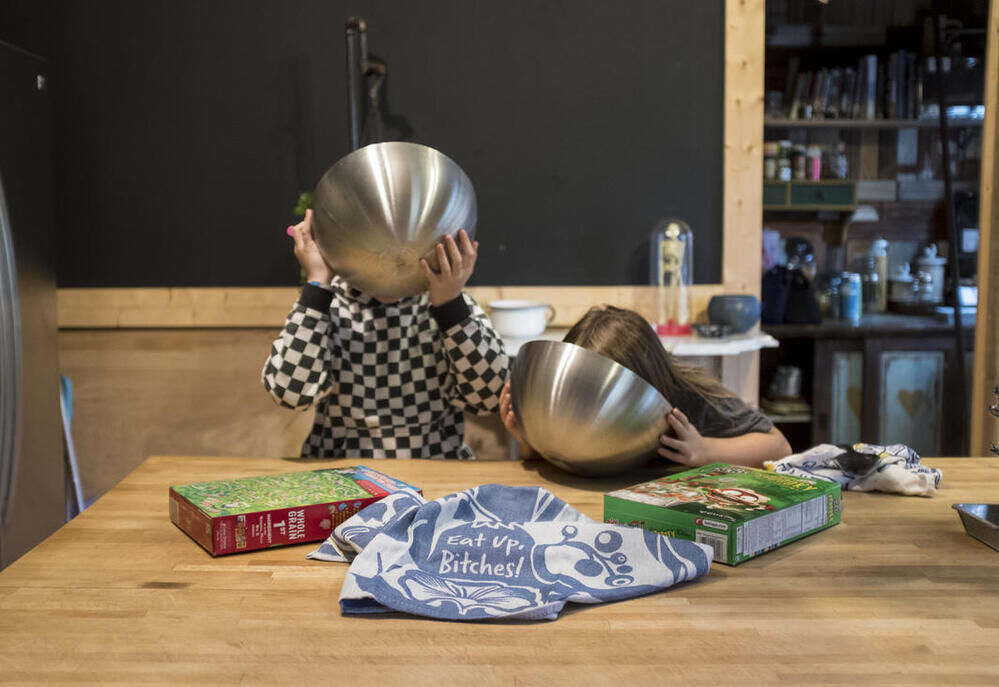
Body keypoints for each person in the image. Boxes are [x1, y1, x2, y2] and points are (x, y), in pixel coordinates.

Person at [262, 209, 508, 459]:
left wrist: (450, 307)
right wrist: (317, 283)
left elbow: (490, 398)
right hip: (341, 469)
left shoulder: (444, 302)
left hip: (434, 464)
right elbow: (290, 394)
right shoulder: (330, 305)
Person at [500, 305, 790, 468]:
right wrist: (531, 442)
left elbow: (779, 446)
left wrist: (705, 451)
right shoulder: (566, 398)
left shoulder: (692, 397)